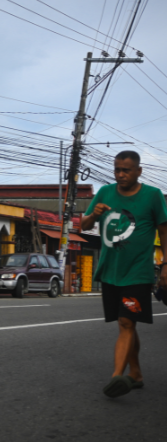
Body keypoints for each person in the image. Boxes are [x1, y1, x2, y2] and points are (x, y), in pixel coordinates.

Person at [80, 150, 167, 398]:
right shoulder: (105, 192)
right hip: (110, 271)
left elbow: (164, 231)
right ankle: (136, 374)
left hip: (137, 272)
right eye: (117, 169)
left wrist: (165, 265)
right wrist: (94, 215)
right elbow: (83, 225)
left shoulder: (153, 196)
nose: (120, 174)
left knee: (126, 322)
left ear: (139, 171)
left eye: (126, 170)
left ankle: (117, 376)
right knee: (128, 323)